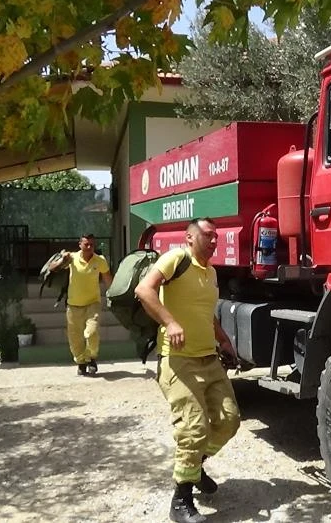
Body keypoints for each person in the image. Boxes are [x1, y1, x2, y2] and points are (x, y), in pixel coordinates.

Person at [135, 217, 241, 523]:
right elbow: (144, 290)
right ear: (190, 237)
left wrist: (224, 341)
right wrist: (169, 322)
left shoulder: (211, 272)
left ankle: (193, 467)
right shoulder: (176, 258)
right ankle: (180, 501)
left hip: (209, 357)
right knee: (193, 429)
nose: (214, 240)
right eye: (207, 235)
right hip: (178, 360)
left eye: (216, 236)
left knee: (229, 421)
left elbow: (205, 314)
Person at [49, 234, 113, 376]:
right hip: (73, 305)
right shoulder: (71, 257)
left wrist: (114, 295)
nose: (89, 247)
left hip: (93, 303)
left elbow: (108, 279)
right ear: (80, 245)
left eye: (92, 244)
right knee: (75, 338)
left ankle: (91, 359)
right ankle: (81, 363)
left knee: (92, 332)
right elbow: (51, 268)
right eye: (86, 244)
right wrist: (62, 261)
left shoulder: (100, 260)